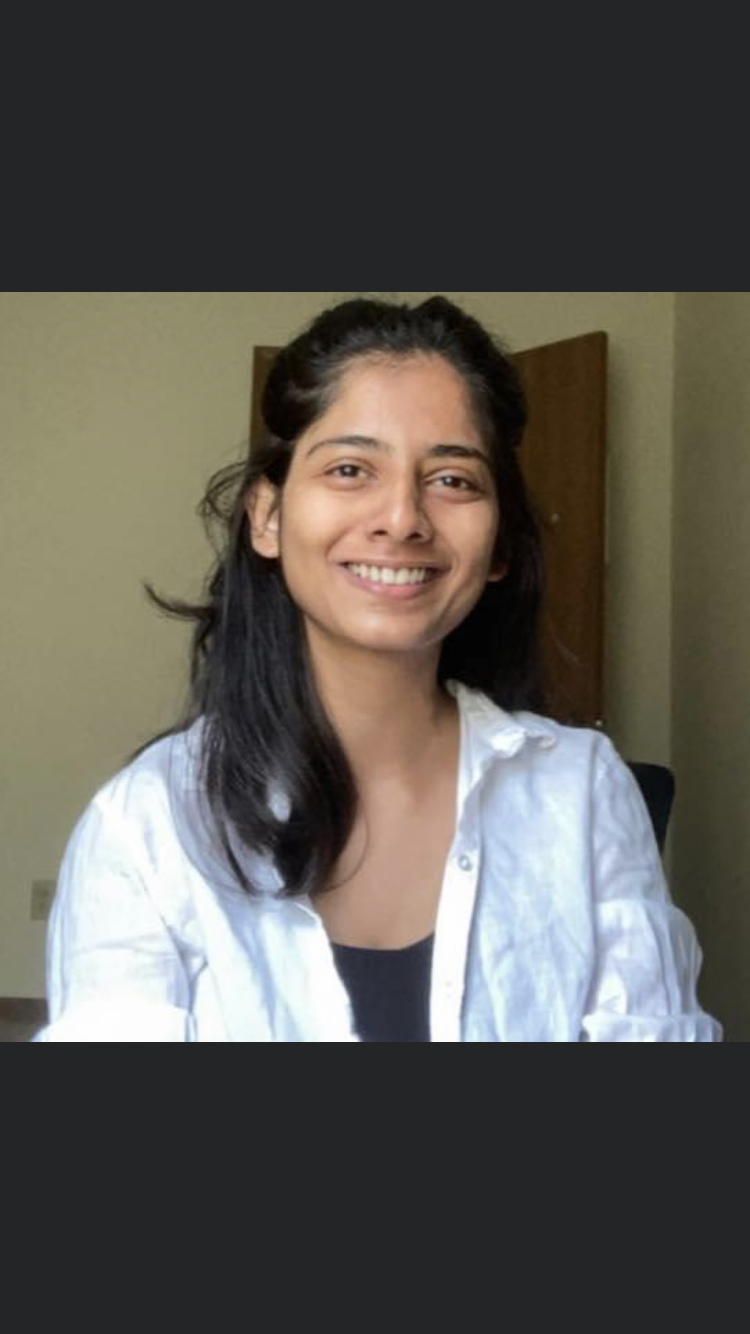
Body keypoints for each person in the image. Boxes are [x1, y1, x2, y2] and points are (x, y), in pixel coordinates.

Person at [34, 296, 721, 1041]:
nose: (402, 518)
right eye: (350, 469)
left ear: (499, 545)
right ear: (268, 517)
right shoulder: (148, 823)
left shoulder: (584, 793)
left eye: (453, 480)